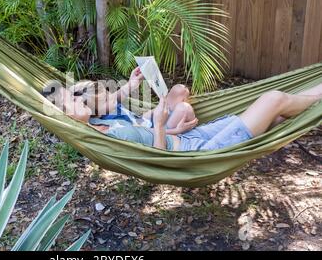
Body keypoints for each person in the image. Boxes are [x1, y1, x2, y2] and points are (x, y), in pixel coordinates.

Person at [42, 74, 322, 152]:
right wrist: (164, 124)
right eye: (70, 102)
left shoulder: (96, 120)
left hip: (193, 138)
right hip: (199, 152)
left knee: (277, 115)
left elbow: (107, 98)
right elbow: (158, 158)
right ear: (64, 116)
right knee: (273, 100)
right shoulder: (102, 138)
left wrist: (174, 128)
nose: (78, 100)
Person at [63, 67, 198, 135]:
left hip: (146, 119)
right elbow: (149, 133)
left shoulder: (104, 107)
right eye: (106, 98)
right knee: (184, 108)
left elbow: (117, 95)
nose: (111, 95)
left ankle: (177, 112)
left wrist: (133, 82)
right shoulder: (112, 125)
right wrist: (176, 131)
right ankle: (181, 122)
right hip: (156, 130)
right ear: (97, 114)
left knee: (180, 89)